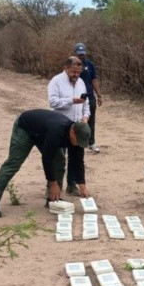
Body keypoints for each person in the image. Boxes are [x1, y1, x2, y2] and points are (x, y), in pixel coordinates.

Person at [0, 109, 91, 218]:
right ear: (72, 132)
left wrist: (82, 185)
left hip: (44, 132)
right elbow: (47, 158)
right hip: (26, 128)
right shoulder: (57, 131)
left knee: (59, 162)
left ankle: (53, 200)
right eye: (78, 141)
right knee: (13, 163)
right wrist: (53, 183)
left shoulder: (79, 136)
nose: (79, 144)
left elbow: (77, 161)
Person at [48, 56, 89, 196]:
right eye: (73, 72)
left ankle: (72, 185)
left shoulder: (81, 82)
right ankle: (53, 186)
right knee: (58, 158)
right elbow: (53, 102)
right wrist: (71, 101)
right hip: (61, 126)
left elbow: (86, 103)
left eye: (79, 72)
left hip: (78, 125)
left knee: (77, 157)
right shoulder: (56, 81)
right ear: (66, 68)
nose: (76, 75)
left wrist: (85, 117)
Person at [74, 43, 104, 153]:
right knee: (76, 120)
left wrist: (99, 96)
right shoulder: (72, 66)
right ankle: (75, 143)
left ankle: (91, 143)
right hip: (77, 97)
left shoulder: (90, 65)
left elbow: (94, 80)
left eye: (83, 54)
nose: (81, 56)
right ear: (75, 54)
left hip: (90, 96)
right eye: (79, 54)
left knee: (91, 121)